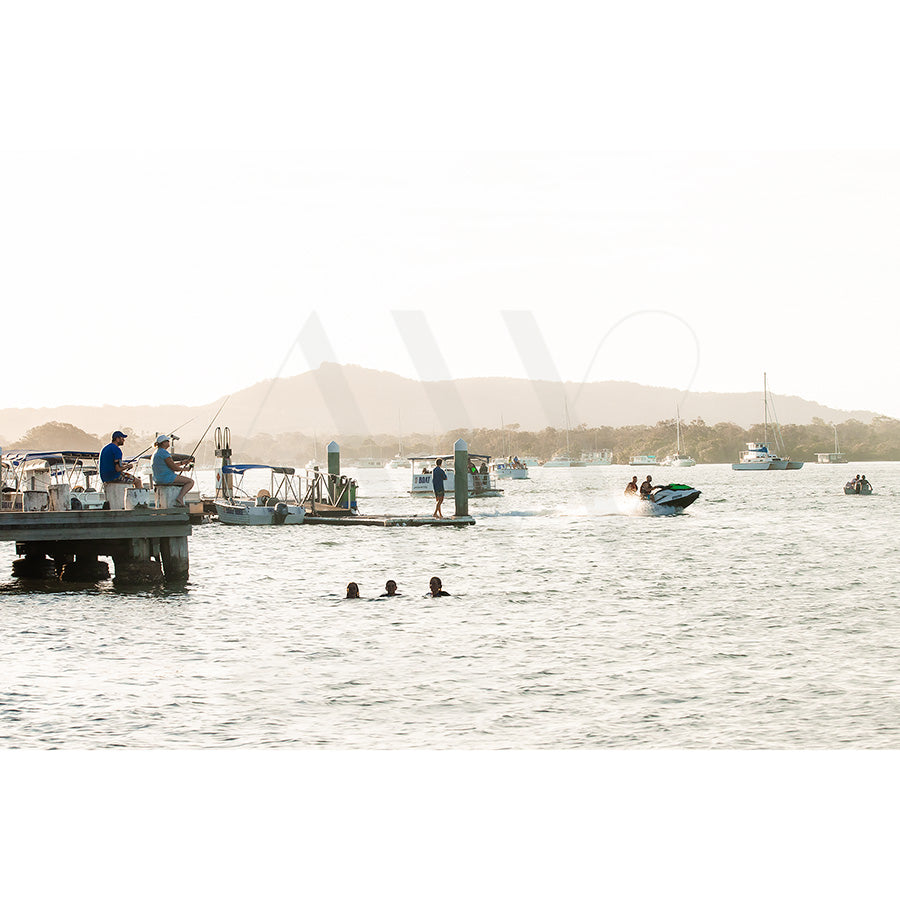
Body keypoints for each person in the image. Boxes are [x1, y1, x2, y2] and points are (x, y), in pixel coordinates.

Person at [152, 435, 194, 506]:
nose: (169, 442)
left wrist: (183, 462)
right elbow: (174, 468)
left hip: (158, 478)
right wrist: (185, 469)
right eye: (167, 441)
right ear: (163, 443)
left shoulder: (156, 452)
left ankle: (179, 498)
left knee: (186, 480)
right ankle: (180, 498)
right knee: (190, 482)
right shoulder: (164, 453)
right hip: (166, 477)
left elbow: (170, 465)